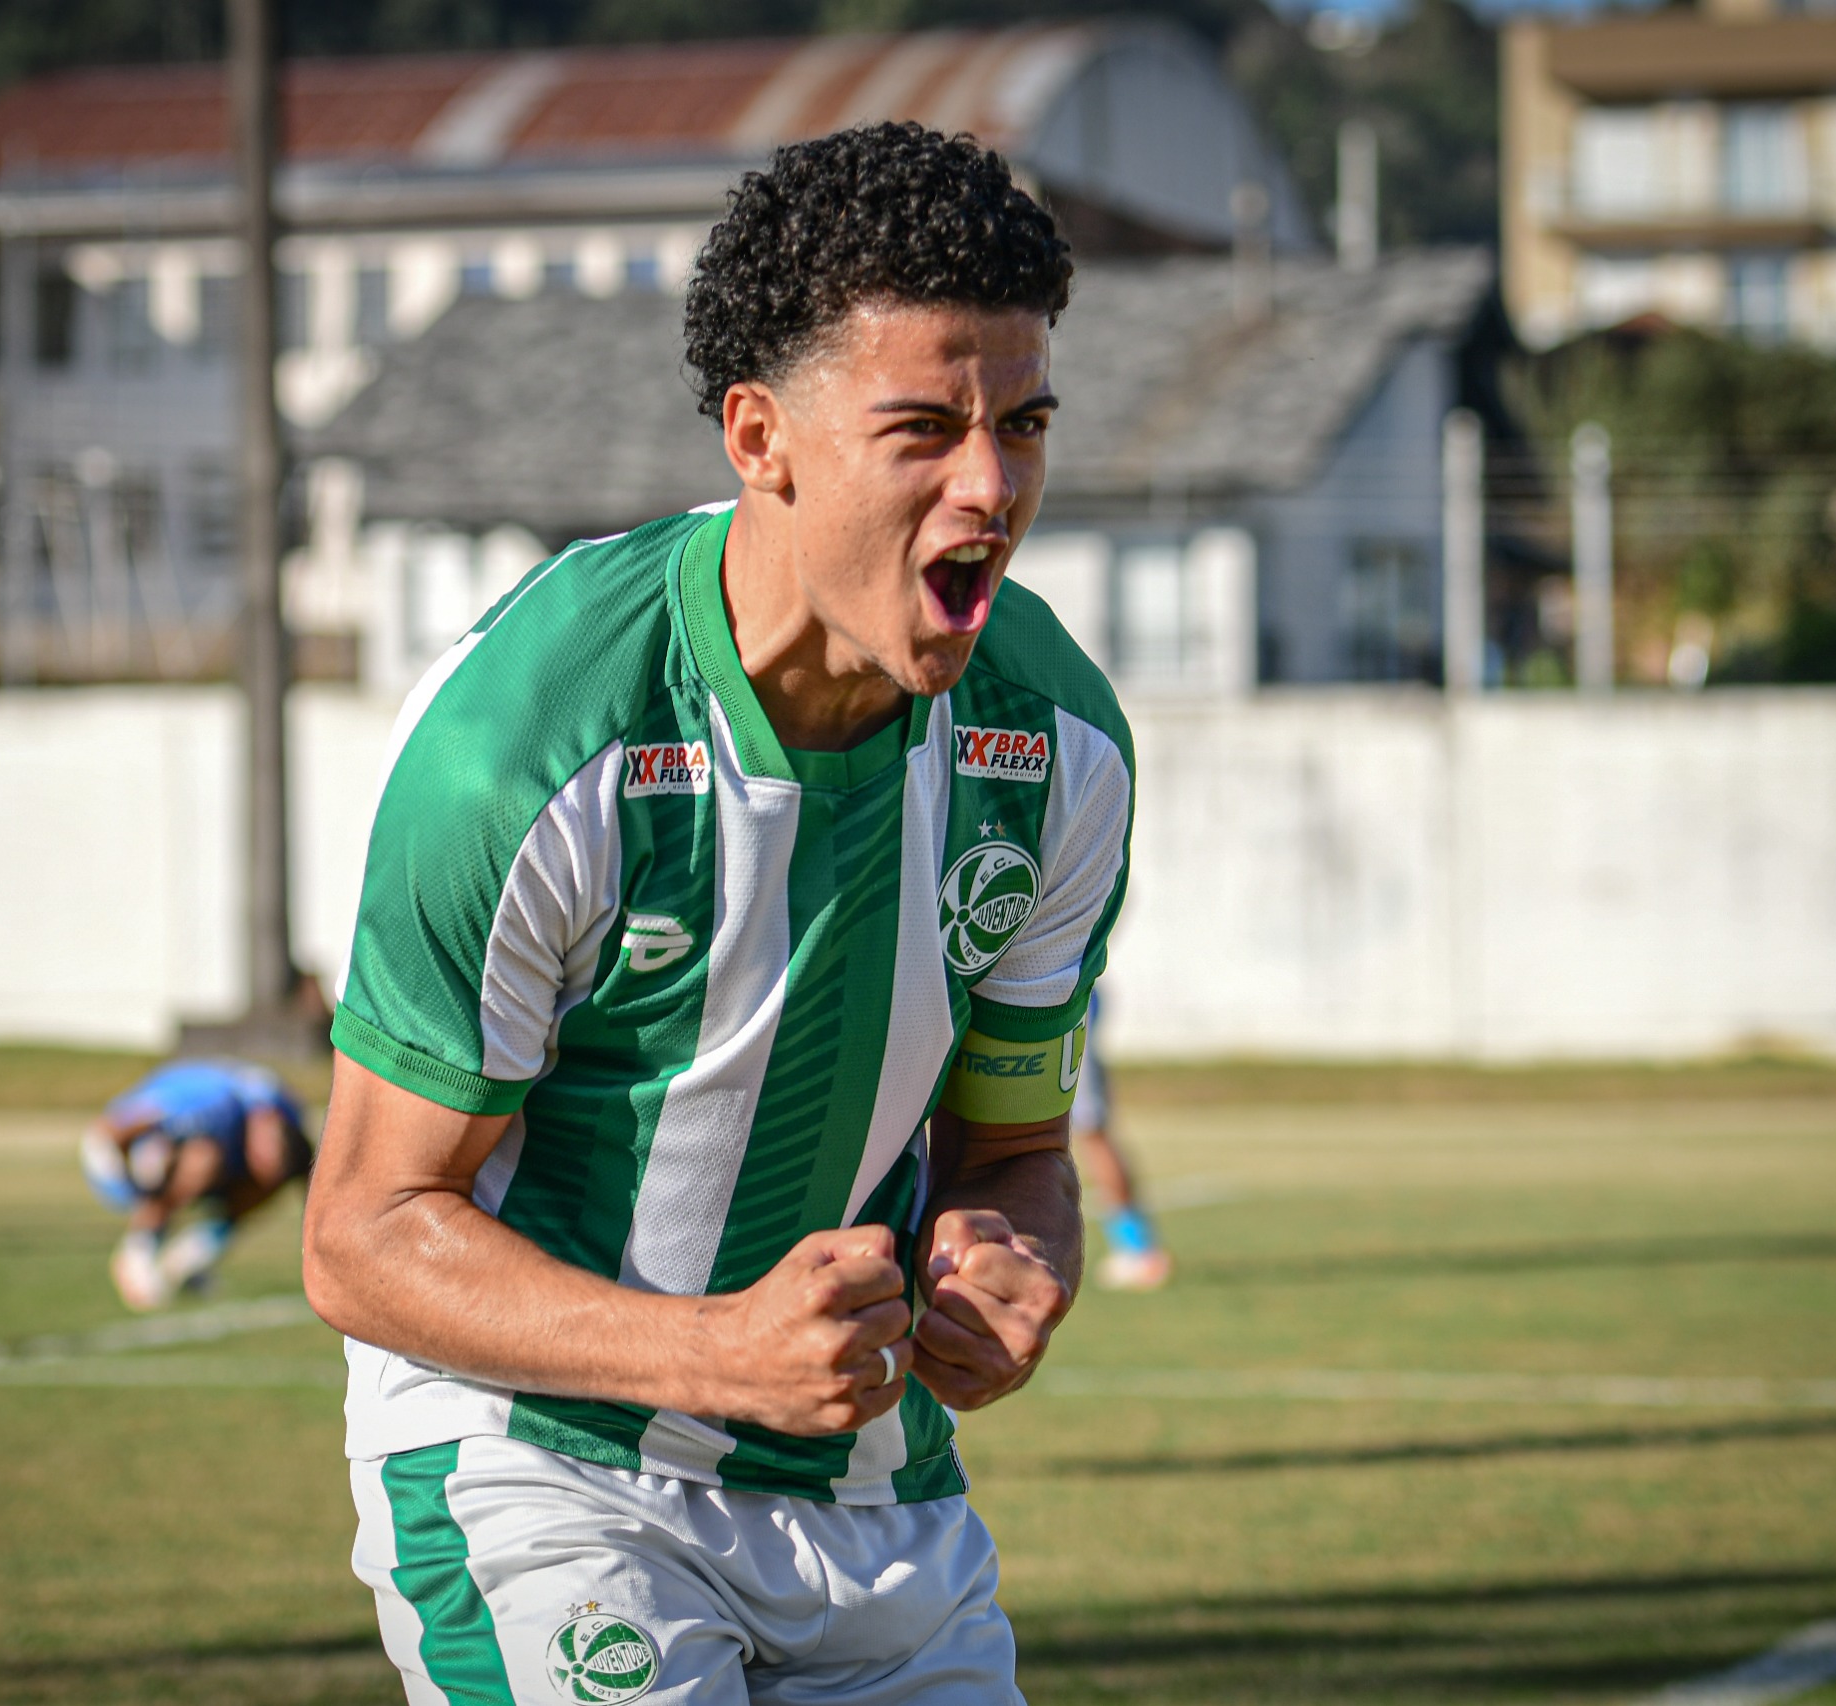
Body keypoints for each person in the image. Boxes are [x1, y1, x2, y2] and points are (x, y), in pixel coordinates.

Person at [303, 122, 1131, 1703]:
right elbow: (362, 1233)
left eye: (1024, 425)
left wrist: (1015, 1260)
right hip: (541, 1469)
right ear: (763, 438)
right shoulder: (528, 740)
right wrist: (714, 1355)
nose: (991, 488)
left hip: (876, 1489)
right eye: (921, 432)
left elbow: (1015, 1151)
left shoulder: (1059, 742)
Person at [82, 1059, 313, 1311]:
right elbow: (108, 1134)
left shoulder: (291, 1122)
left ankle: (191, 1256)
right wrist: (131, 1189)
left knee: (268, 1180)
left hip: (217, 1158)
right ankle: (140, 1246)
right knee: (202, 1157)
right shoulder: (212, 1107)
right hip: (123, 1157)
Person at [1070, 994, 1171, 1290]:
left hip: (1067, 997)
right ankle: (1137, 1247)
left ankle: (1138, 1249)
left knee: (1092, 1128)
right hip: (1063, 994)